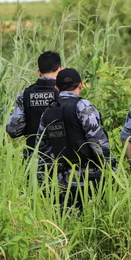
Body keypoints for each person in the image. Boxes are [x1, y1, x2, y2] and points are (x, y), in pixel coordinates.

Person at [36, 68, 111, 209]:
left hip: (61, 181)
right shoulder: (83, 106)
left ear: (57, 88)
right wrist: (111, 169)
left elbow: (41, 149)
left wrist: (44, 181)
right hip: (88, 179)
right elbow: (98, 143)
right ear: (81, 85)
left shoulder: (48, 111)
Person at [6, 51, 62, 157]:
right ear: (60, 69)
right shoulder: (64, 93)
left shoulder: (25, 94)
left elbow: (13, 130)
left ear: (39, 72)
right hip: (60, 161)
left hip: (33, 159)